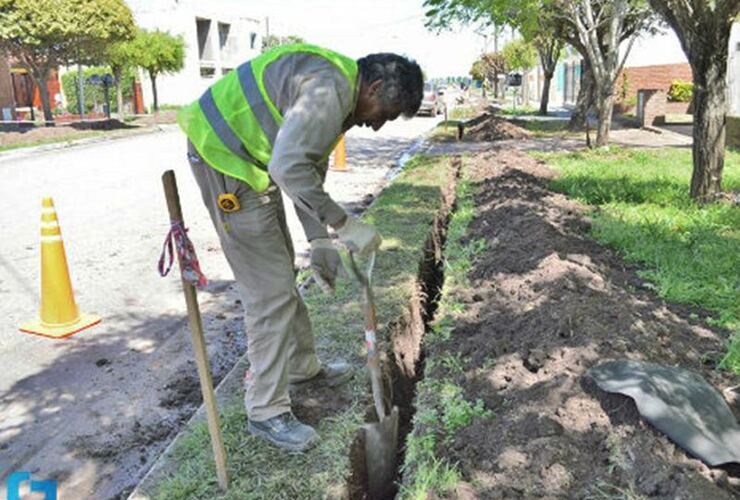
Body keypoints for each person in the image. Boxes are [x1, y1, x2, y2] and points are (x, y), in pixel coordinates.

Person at [178, 43, 423, 452]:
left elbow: (304, 174)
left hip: (253, 165)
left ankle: (303, 369)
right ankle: (265, 411)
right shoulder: (329, 92)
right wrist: (344, 224)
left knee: (281, 273)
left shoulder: (340, 96)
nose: (379, 126)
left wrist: (319, 238)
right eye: (384, 114)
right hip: (226, 161)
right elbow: (288, 167)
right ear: (374, 87)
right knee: (269, 291)